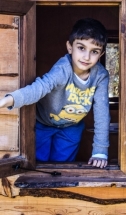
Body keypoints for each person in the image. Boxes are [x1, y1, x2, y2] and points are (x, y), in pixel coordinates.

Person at [0, 18, 110, 168]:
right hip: (43, 123)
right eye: (81, 48)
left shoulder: (101, 75)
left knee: (62, 166)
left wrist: (100, 151)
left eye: (94, 51)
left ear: (101, 54)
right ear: (70, 47)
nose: (86, 57)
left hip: (72, 127)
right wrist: (10, 99)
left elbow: (102, 113)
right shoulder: (62, 69)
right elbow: (40, 87)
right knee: (39, 164)